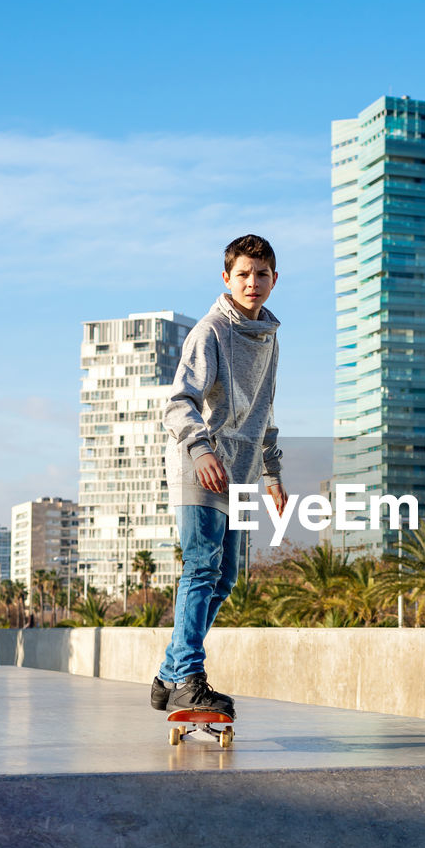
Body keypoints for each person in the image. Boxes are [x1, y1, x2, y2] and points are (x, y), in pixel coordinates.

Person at [150, 234, 286, 716]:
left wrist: (271, 474)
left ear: (274, 279)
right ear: (226, 278)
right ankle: (187, 675)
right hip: (201, 467)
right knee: (202, 567)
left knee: (226, 577)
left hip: (242, 472)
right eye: (243, 274)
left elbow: (265, 411)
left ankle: (168, 674)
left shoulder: (268, 337)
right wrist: (202, 451)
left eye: (262, 274)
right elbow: (178, 402)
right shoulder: (209, 331)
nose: (253, 282)